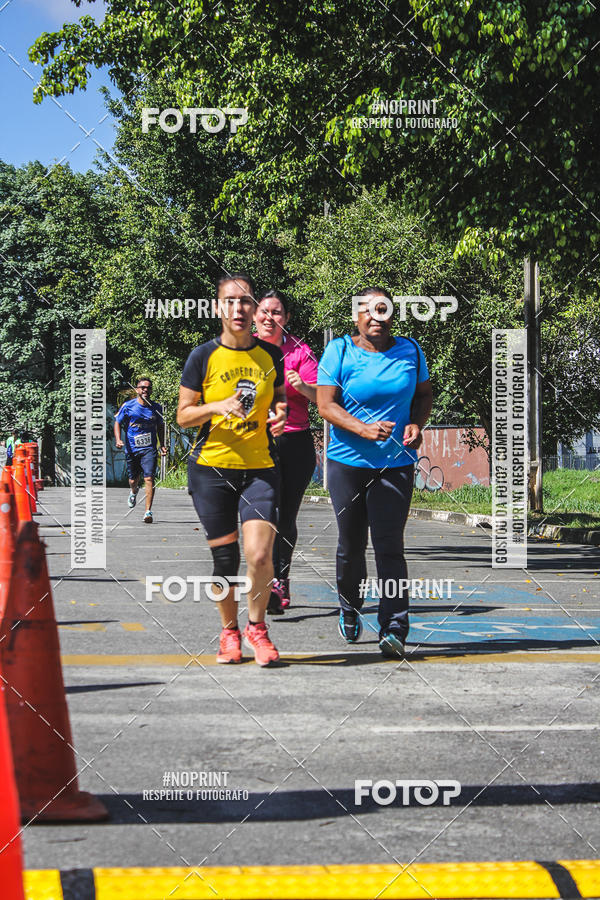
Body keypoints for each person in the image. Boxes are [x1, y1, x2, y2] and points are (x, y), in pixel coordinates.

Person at [177, 273, 287, 667]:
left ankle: (257, 628)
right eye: (230, 301)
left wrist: (278, 416)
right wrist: (216, 405)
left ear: (254, 308)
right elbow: (184, 416)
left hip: (260, 467)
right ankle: (229, 632)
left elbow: (279, 403)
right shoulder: (202, 356)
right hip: (211, 470)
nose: (238, 309)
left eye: (245, 302)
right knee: (225, 561)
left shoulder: (270, 356)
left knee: (259, 556)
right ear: (217, 308)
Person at [317, 287, 433, 659]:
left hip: (395, 466)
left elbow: (424, 394)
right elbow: (325, 404)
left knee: (390, 547)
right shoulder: (339, 350)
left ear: (392, 316)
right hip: (347, 463)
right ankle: (350, 606)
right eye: (367, 311)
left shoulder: (411, 350)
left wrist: (416, 423)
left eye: (382, 311)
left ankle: (395, 627)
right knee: (351, 546)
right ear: (357, 317)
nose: (375, 317)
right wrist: (361, 428)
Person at [254, 290, 318, 613]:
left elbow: (324, 397)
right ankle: (265, 578)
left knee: (285, 515)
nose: (269, 318)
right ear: (254, 316)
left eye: (276, 312)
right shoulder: (241, 350)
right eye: (264, 312)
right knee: (262, 515)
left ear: (286, 318)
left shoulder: (300, 352)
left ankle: (280, 579)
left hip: (294, 443)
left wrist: (303, 387)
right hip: (255, 444)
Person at [114, 377, 167, 523]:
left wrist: (162, 444)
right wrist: (118, 439)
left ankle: (148, 511)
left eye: (148, 388)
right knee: (133, 480)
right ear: (137, 390)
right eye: (142, 387)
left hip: (149, 449)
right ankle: (133, 491)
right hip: (132, 448)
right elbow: (117, 423)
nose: (145, 390)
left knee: (149, 478)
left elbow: (160, 426)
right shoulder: (128, 406)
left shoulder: (156, 408)